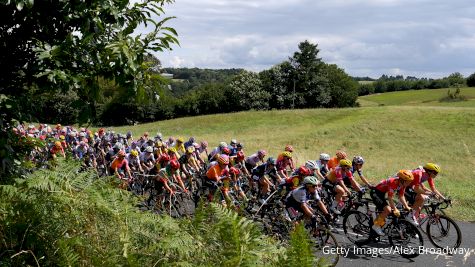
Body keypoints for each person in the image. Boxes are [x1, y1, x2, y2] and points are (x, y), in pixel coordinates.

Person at [370, 170, 414, 236]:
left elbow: (401, 196)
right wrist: (395, 209)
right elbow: (390, 198)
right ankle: (376, 225)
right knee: (388, 210)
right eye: (408, 181)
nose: (409, 183)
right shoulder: (393, 182)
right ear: (402, 180)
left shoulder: (403, 185)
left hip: (382, 193)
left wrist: (406, 206)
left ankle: (381, 222)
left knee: (392, 210)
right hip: (376, 192)